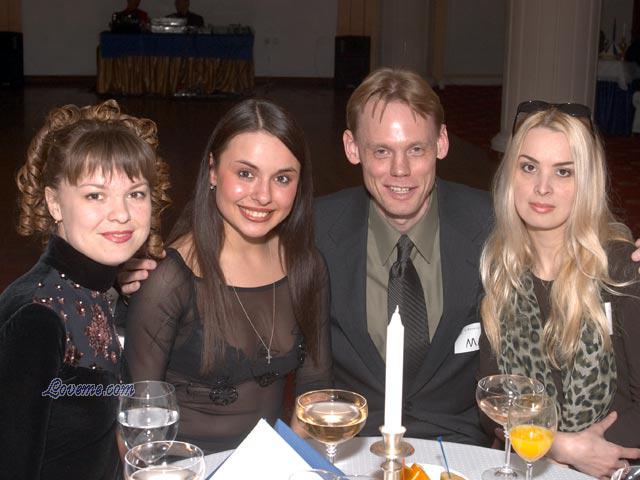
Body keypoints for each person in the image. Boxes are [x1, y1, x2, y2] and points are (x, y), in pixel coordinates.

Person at [117, 68, 640, 446]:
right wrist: (135, 268)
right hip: (352, 445)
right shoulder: (310, 230)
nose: (400, 171)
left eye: (416, 149)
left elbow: (572, 233)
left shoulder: (495, 224)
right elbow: (230, 240)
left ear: (442, 143)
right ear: (352, 148)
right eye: (381, 150)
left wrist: (631, 250)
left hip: (460, 450)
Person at [124, 98, 332, 453]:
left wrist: (291, 463)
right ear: (212, 170)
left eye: (282, 178)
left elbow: (315, 386)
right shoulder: (169, 280)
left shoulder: (306, 267)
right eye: (245, 174)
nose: (263, 196)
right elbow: (138, 421)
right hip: (184, 468)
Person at [0, 99, 170, 479]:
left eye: (136, 193)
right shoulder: (37, 318)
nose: (122, 214)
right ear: (54, 203)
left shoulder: (94, 289)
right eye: (95, 195)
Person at [479, 101, 640, 477]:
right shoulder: (501, 274)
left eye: (563, 172)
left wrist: (589, 452)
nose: (542, 187)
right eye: (529, 167)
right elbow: (492, 405)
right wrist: (559, 446)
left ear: (586, 183)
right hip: (531, 466)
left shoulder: (620, 272)